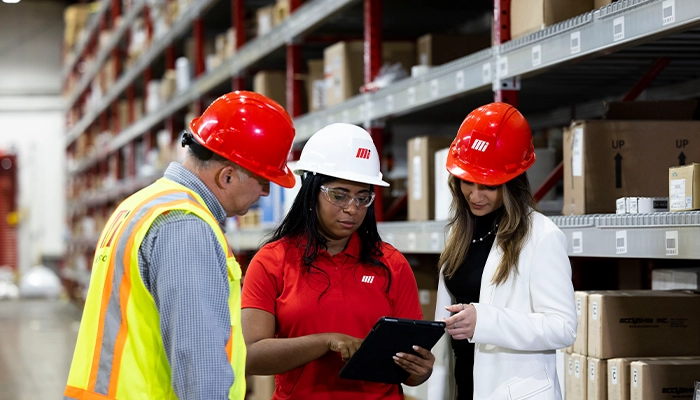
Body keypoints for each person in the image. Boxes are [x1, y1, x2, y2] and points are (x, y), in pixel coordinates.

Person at [64, 91, 296, 400]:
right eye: (263, 180)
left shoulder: (141, 205)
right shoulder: (185, 226)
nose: (266, 192)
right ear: (227, 176)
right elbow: (198, 365)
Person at [241, 123, 435, 400]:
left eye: (362, 197)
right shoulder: (272, 261)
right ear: (311, 192)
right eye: (339, 195)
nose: (352, 209)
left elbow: (412, 372)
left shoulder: (392, 263)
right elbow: (251, 355)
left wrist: (421, 369)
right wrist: (325, 341)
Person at [427, 103, 577, 400]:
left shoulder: (541, 237)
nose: (474, 194)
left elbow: (563, 327)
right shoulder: (459, 233)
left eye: (487, 185)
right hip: (463, 387)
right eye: (466, 181)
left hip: (511, 392)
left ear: (512, 183)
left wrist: (485, 321)